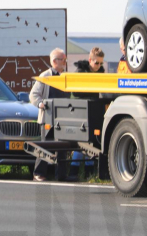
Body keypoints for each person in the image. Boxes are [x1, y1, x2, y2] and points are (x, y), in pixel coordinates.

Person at [29, 48, 69, 181]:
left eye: (65, 59)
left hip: (62, 117)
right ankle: (38, 174)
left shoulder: (66, 76)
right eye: (62, 59)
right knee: (45, 146)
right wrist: (40, 104)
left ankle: (61, 176)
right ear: (54, 61)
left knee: (62, 148)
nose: (65, 62)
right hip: (47, 117)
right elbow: (34, 94)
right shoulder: (45, 76)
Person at [68, 47, 106, 179]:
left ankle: (90, 172)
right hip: (81, 109)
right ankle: (74, 170)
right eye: (96, 63)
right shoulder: (81, 72)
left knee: (93, 142)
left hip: (94, 109)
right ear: (90, 60)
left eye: (101, 63)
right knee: (81, 142)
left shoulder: (100, 72)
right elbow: (75, 92)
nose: (99, 66)